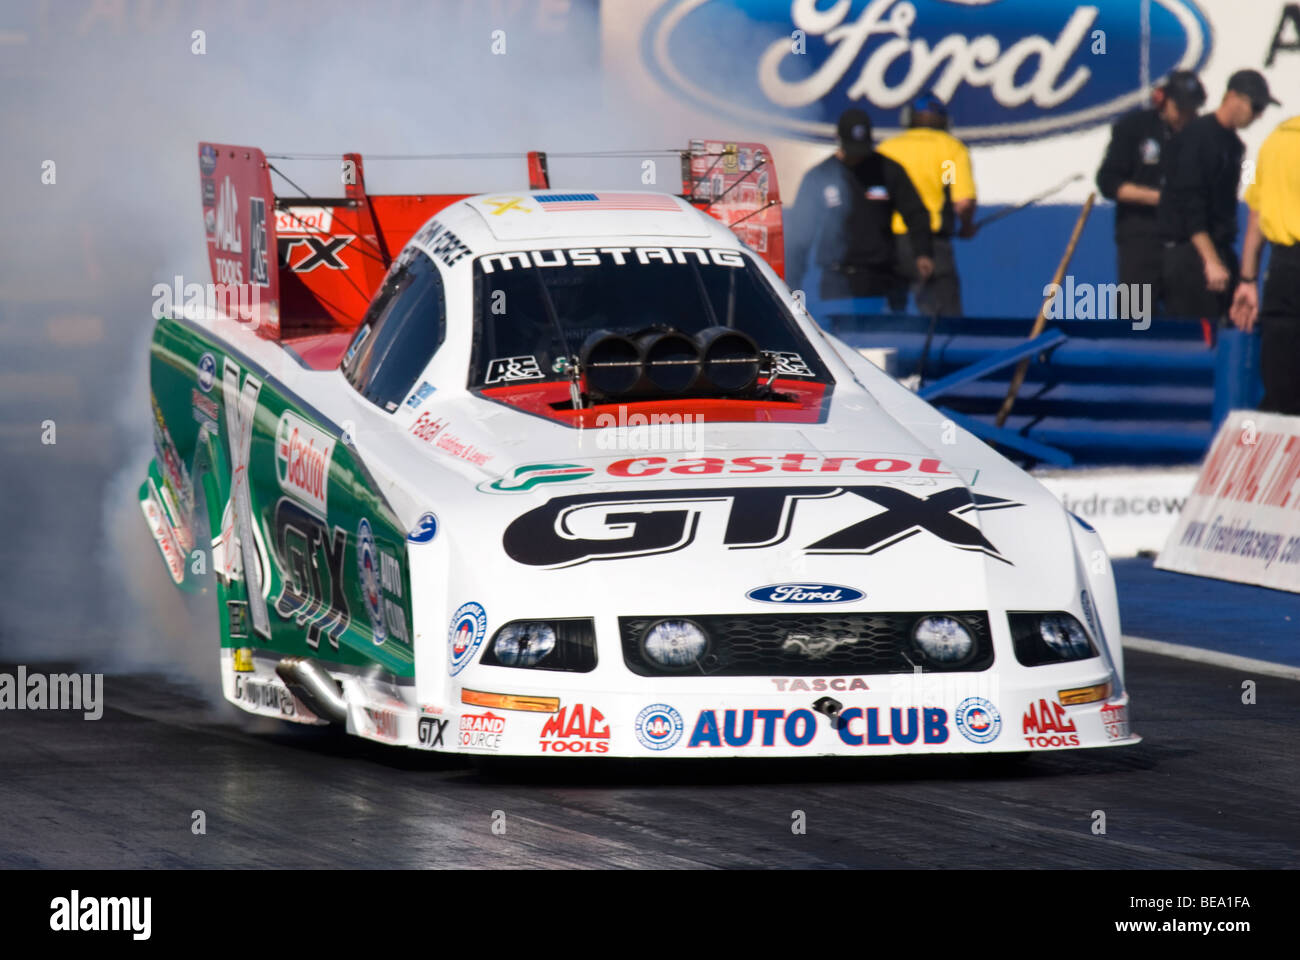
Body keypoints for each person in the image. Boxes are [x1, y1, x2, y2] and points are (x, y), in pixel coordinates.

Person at [785, 108, 933, 315]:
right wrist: (791, 283)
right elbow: (800, 232)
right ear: (840, 140)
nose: (857, 157)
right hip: (836, 280)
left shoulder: (888, 170)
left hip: (880, 279)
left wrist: (923, 252)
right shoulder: (820, 176)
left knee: (878, 344)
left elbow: (916, 213)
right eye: (852, 150)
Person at [1157, 69, 1277, 322]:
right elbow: (1191, 206)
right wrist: (1210, 260)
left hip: (1219, 251)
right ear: (1233, 97)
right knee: (1196, 339)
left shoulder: (1233, 145)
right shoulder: (1196, 138)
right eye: (1255, 106)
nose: (1258, 115)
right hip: (1192, 255)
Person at [1096, 70, 1206, 308]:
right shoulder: (1134, 128)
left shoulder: (1201, 134)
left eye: (1192, 110)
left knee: (1187, 317)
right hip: (1141, 237)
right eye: (1181, 109)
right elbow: (1109, 183)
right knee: (1134, 314)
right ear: (1162, 100)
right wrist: (1161, 198)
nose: (1186, 117)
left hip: (1186, 241)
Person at [877, 92, 976, 317]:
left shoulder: (888, 148)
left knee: (888, 324)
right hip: (933, 247)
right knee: (944, 326)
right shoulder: (950, 149)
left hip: (890, 247)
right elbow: (963, 202)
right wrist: (967, 226)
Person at [1230, 114, 1300, 415]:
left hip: (1281, 269)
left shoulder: (1275, 141)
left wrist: (1247, 280)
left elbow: (1256, 217)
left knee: (1280, 378)